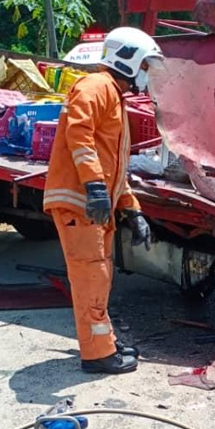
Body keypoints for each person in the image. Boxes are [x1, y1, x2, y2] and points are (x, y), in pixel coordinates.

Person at [43, 27, 162, 374]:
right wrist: (94, 187)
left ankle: (103, 343)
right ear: (128, 60)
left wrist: (132, 211)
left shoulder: (113, 96)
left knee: (100, 276)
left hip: (92, 204)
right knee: (91, 278)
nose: (147, 74)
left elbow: (114, 169)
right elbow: (78, 136)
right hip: (79, 202)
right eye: (145, 66)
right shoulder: (95, 87)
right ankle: (97, 355)